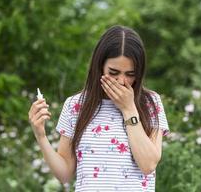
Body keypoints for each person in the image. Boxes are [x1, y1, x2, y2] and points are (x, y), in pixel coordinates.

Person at [28, 25, 170, 192]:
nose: (121, 81)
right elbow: (65, 174)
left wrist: (129, 109)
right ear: (100, 66)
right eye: (114, 72)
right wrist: (40, 135)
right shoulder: (76, 105)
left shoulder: (150, 103)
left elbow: (148, 165)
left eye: (130, 74)